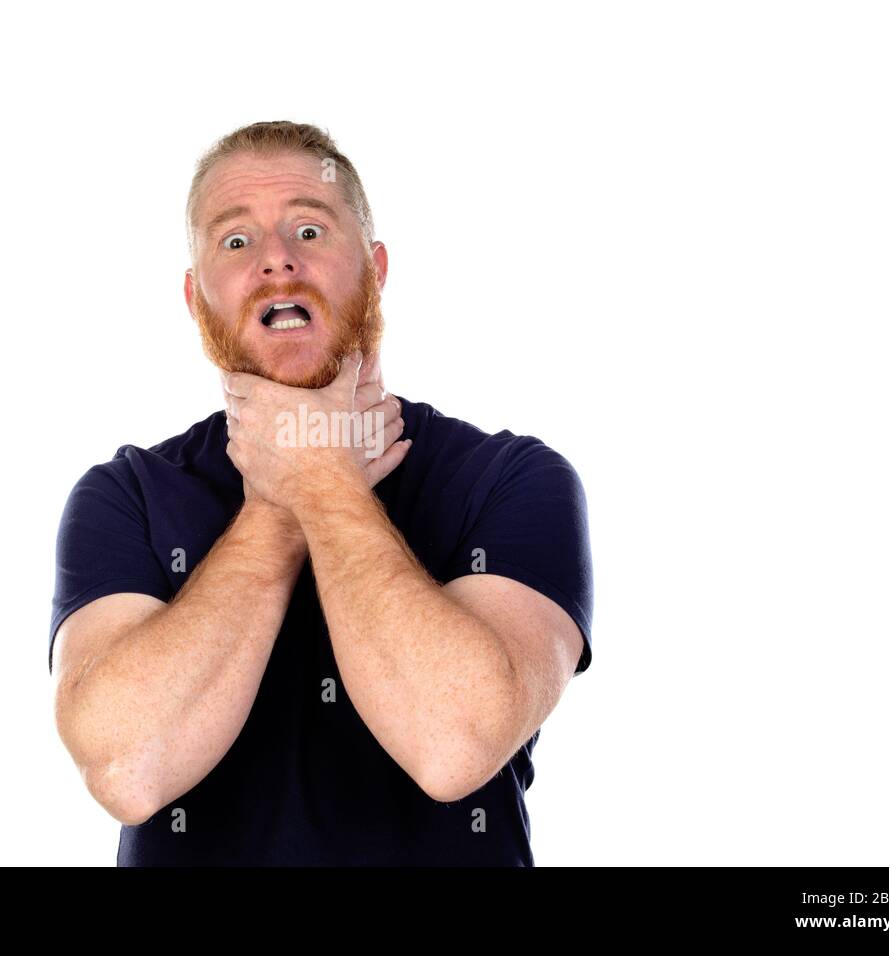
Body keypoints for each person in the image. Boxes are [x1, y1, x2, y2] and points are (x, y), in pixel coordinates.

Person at [48, 120, 594, 866]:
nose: (276, 259)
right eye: (235, 241)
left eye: (309, 228)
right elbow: (126, 768)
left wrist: (321, 481)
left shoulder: (513, 479)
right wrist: (282, 503)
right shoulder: (126, 494)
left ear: (374, 269)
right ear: (193, 296)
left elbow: (455, 744)